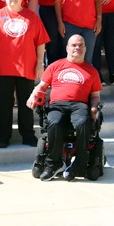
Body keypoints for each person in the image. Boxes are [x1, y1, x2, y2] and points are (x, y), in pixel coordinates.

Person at [26, 34, 101, 181]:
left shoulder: (91, 71)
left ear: (85, 48)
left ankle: (79, 162)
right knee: (54, 122)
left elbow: (95, 96)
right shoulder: (55, 66)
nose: (77, 48)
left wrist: (94, 108)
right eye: (74, 45)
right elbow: (41, 86)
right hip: (57, 104)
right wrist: (32, 96)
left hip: (80, 105)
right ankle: (54, 163)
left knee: (82, 123)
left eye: (80, 45)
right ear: (67, 47)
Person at [0, 0, 47, 148]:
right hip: (3, 68)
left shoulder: (32, 17)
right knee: (4, 105)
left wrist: (40, 63)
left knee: (26, 104)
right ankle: (4, 136)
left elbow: (40, 42)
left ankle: (27, 134)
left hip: (26, 67)